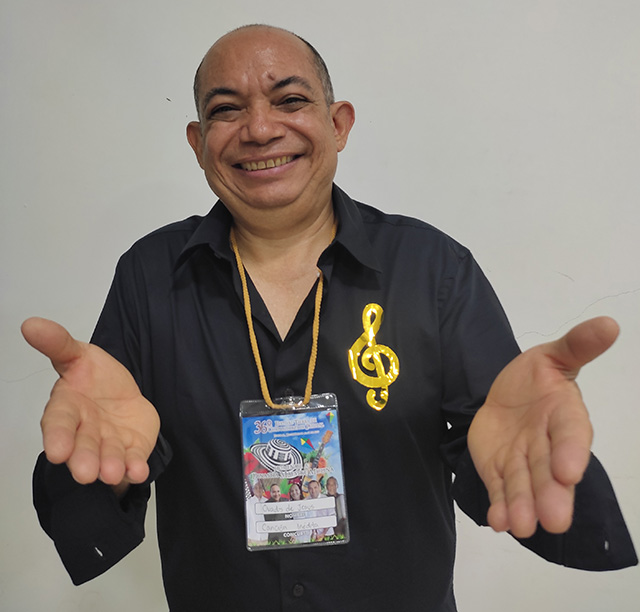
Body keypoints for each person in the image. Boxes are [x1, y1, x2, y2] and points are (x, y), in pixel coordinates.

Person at [22, 24, 636, 611]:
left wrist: (529, 454)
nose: (260, 129)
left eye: (289, 100)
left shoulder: (431, 268)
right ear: (197, 141)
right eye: (227, 110)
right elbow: (103, 460)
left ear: (338, 124)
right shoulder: (150, 275)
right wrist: (103, 475)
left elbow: (506, 460)